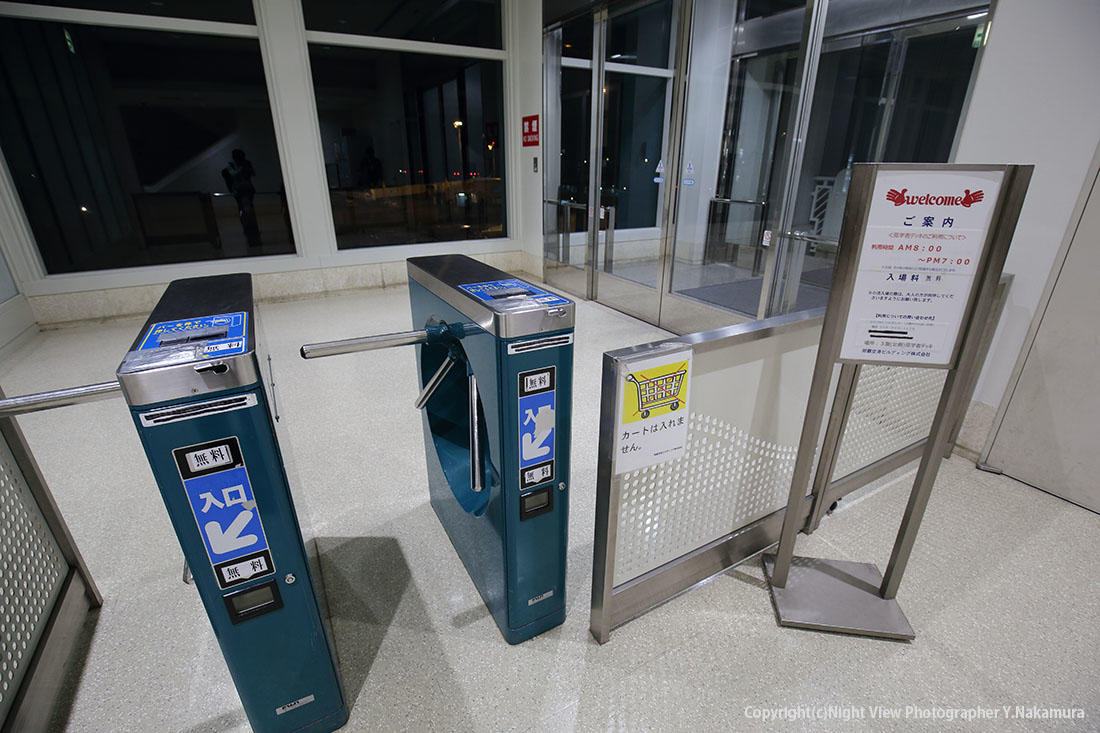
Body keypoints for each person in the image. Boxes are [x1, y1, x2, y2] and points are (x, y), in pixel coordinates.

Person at [221, 149, 262, 247]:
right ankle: (251, 233)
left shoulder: (235, 166)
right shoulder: (237, 166)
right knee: (247, 212)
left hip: (242, 191)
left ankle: (251, 233)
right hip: (243, 191)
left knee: (246, 212)